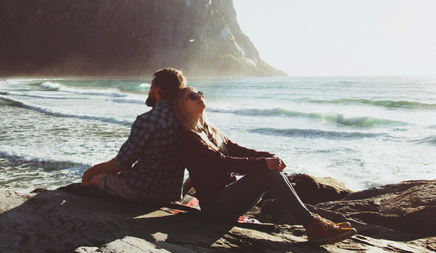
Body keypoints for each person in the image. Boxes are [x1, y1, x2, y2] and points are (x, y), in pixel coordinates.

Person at [173, 86, 357, 246]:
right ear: (182, 107)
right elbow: (224, 162)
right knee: (267, 174)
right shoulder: (187, 137)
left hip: (228, 198)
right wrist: (265, 164)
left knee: (269, 170)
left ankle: (313, 224)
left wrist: (270, 156)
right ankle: (313, 226)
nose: (199, 97)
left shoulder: (209, 130)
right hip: (215, 206)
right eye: (193, 96)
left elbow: (239, 151)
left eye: (200, 93)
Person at [81, 68, 186, 205]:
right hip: (170, 193)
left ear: (158, 89)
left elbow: (122, 163)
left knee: (89, 178)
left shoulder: (148, 120)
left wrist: (94, 168)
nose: (149, 91)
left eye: (151, 86)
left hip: (142, 191)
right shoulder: (185, 119)